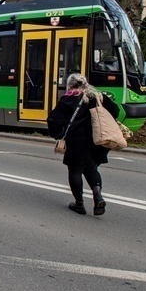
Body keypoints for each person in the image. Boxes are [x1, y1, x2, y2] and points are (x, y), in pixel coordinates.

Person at [47, 73, 119, 216]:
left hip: (75, 140)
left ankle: (79, 204)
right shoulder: (97, 96)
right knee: (91, 168)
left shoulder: (67, 99)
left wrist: (59, 135)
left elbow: (54, 120)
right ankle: (98, 197)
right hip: (95, 140)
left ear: (70, 85)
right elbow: (115, 112)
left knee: (75, 170)